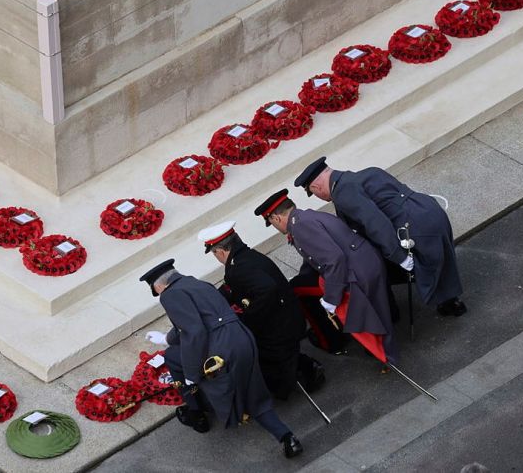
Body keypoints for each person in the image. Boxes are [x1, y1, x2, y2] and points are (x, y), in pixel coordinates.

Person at [140, 259, 304, 458]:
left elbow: (195, 331)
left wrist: (191, 372)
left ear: (158, 286)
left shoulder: (169, 295)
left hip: (220, 349)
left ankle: (196, 412)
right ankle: (287, 438)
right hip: (242, 339)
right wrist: (167, 338)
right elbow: (194, 323)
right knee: (254, 393)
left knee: (173, 358)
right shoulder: (198, 283)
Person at [294, 157, 467, 317]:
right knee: (440, 258)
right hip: (429, 210)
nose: (319, 197)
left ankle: (391, 314)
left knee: (380, 265)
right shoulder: (368, 172)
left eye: (314, 193)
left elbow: (375, 222)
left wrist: (398, 256)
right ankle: (451, 302)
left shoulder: (342, 193)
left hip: (411, 226)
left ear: (316, 187)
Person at [255, 189, 398, 364]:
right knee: (379, 311)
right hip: (366, 261)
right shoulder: (306, 217)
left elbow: (333, 259)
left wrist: (331, 298)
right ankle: (385, 349)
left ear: (276, 218)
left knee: (370, 321)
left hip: (358, 271)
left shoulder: (300, 227)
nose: (276, 228)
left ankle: (386, 357)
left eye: (272, 223)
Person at [197, 221, 325, 398]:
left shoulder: (239, 267)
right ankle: (303, 368)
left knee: (256, 349)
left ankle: (306, 371)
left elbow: (267, 289)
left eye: (214, 254)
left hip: (282, 325)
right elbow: (232, 288)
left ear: (220, 251)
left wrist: (250, 317)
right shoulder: (244, 257)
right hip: (287, 316)